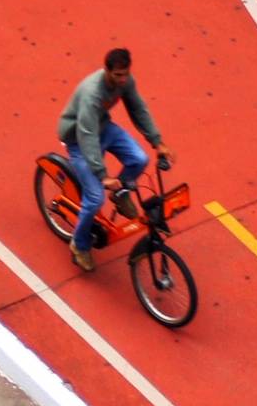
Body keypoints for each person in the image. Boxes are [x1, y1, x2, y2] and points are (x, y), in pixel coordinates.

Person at [56, 47, 171, 272]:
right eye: (118, 75)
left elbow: (138, 109)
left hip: (103, 128)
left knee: (139, 159)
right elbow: (86, 134)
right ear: (107, 71)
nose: (123, 79)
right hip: (79, 140)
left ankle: (121, 194)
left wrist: (157, 142)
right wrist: (103, 176)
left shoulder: (126, 82)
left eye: (126, 74)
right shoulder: (92, 93)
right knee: (95, 198)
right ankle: (79, 245)